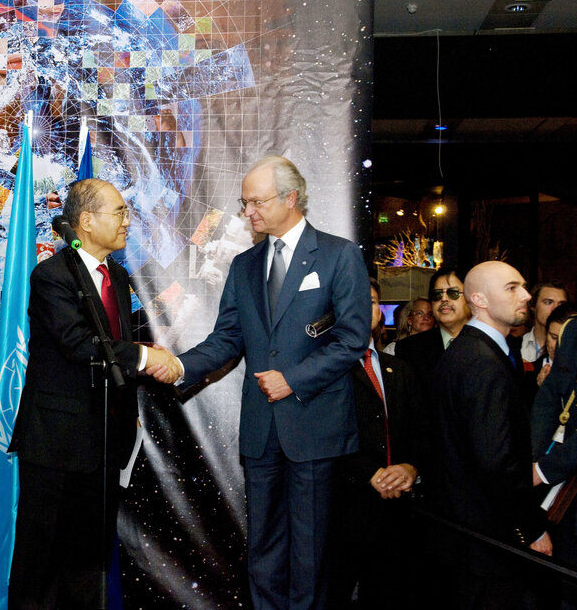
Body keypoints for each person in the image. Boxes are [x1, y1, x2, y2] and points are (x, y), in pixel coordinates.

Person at [173, 156, 371, 609]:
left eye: (256, 202)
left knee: (311, 553)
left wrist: (293, 380)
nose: (248, 213)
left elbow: (352, 339)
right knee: (262, 549)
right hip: (261, 431)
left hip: (315, 427)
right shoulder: (244, 265)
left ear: (291, 199)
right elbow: (227, 337)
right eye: (244, 204)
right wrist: (181, 367)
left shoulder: (339, 255)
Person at [8, 178, 179, 609]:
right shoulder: (51, 275)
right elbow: (79, 344)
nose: (127, 220)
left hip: (105, 439)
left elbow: (113, 347)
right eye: (119, 211)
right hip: (55, 442)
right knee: (41, 562)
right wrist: (145, 357)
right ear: (86, 221)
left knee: (88, 564)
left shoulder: (117, 276)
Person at [429, 261, 550, 609]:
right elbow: (495, 461)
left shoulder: (470, 351)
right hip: (486, 541)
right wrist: (532, 528)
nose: (526, 295)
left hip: (467, 538)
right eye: (512, 288)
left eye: (524, 286)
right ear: (478, 299)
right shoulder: (482, 361)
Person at [328, 278, 424, 609]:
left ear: (379, 313)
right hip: (341, 513)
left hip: (396, 515)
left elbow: (419, 432)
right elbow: (322, 436)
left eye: (370, 300)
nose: (362, 306)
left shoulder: (400, 369)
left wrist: (412, 468)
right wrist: (371, 474)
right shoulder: (323, 370)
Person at [532, 307, 577, 609]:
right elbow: (548, 405)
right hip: (561, 493)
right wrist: (534, 461)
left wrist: (544, 469)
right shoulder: (572, 333)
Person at [395, 269, 471, 398]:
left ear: (470, 297)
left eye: (453, 293)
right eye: (437, 294)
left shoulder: (487, 344)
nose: (444, 299)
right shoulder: (409, 349)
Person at [522, 281, 569, 363]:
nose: (556, 309)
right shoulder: (516, 346)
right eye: (548, 302)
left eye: (561, 304)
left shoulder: (571, 347)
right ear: (533, 306)